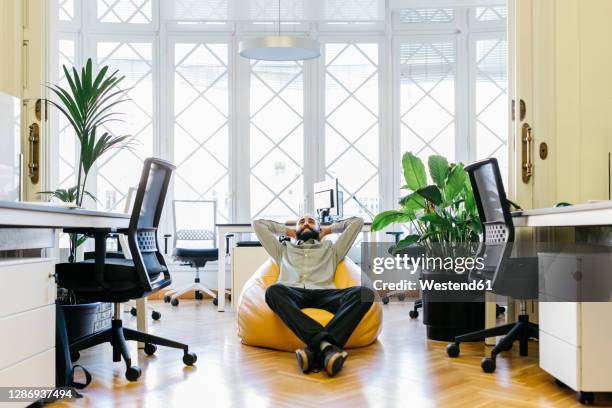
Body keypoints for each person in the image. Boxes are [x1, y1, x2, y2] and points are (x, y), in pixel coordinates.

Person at [253, 215, 375, 377]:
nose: (305, 224)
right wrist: (289, 231)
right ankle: (327, 349)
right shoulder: (282, 250)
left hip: (325, 293)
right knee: (273, 291)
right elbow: (258, 224)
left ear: (319, 229)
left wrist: (328, 230)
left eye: (311, 222)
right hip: (293, 292)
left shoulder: (332, 250)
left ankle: (313, 350)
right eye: (301, 223)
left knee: (364, 294)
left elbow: (357, 222)